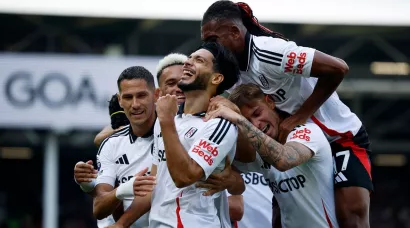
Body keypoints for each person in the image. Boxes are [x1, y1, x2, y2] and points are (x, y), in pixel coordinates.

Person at [201, 1, 372, 227]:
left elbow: (338, 68)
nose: (210, 47)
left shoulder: (269, 51)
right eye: (206, 42)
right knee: (284, 215)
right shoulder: (231, 72)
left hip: (338, 135)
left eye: (213, 39)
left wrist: (302, 115)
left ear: (234, 32)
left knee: (349, 214)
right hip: (289, 141)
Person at [110, 42, 244, 228]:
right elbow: (156, 184)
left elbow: (185, 177)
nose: (188, 63)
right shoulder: (168, 118)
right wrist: (121, 224)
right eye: (190, 57)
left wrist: (166, 121)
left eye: (199, 60)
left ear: (216, 78)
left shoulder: (219, 124)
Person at [205, 83, 339, 227]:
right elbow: (236, 175)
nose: (256, 124)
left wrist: (239, 120)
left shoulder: (308, 131)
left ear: (270, 102)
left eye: (257, 114)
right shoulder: (261, 150)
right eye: (249, 121)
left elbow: (283, 160)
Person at [74, 66, 158, 228]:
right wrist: (123, 189)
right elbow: (99, 208)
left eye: (141, 96)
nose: (135, 104)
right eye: (128, 97)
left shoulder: (174, 134)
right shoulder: (111, 144)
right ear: (120, 100)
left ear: (156, 95)